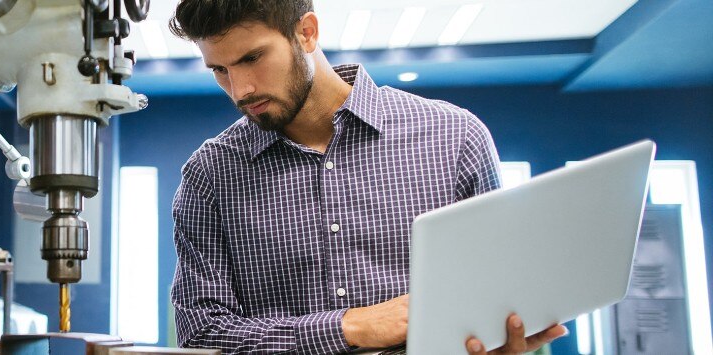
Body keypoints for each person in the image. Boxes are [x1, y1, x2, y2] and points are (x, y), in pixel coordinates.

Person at [166, 1, 568, 354]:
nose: (239, 90)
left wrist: (500, 337)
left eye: (252, 58)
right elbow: (204, 333)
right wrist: (350, 327)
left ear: (307, 32)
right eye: (220, 69)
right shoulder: (210, 173)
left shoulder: (455, 136)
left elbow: (496, 294)